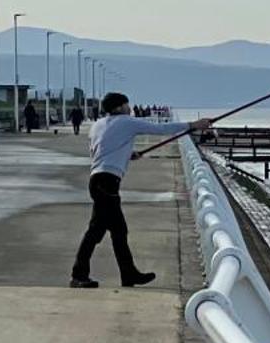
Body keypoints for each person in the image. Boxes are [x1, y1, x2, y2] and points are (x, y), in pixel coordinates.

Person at [70, 92, 213, 289]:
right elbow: (161, 129)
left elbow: (101, 150)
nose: (130, 108)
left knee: (113, 231)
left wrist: (128, 154)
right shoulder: (127, 121)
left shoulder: (98, 125)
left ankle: (127, 274)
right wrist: (193, 125)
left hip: (98, 180)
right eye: (127, 104)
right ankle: (80, 275)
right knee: (101, 231)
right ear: (120, 107)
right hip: (107, 182)